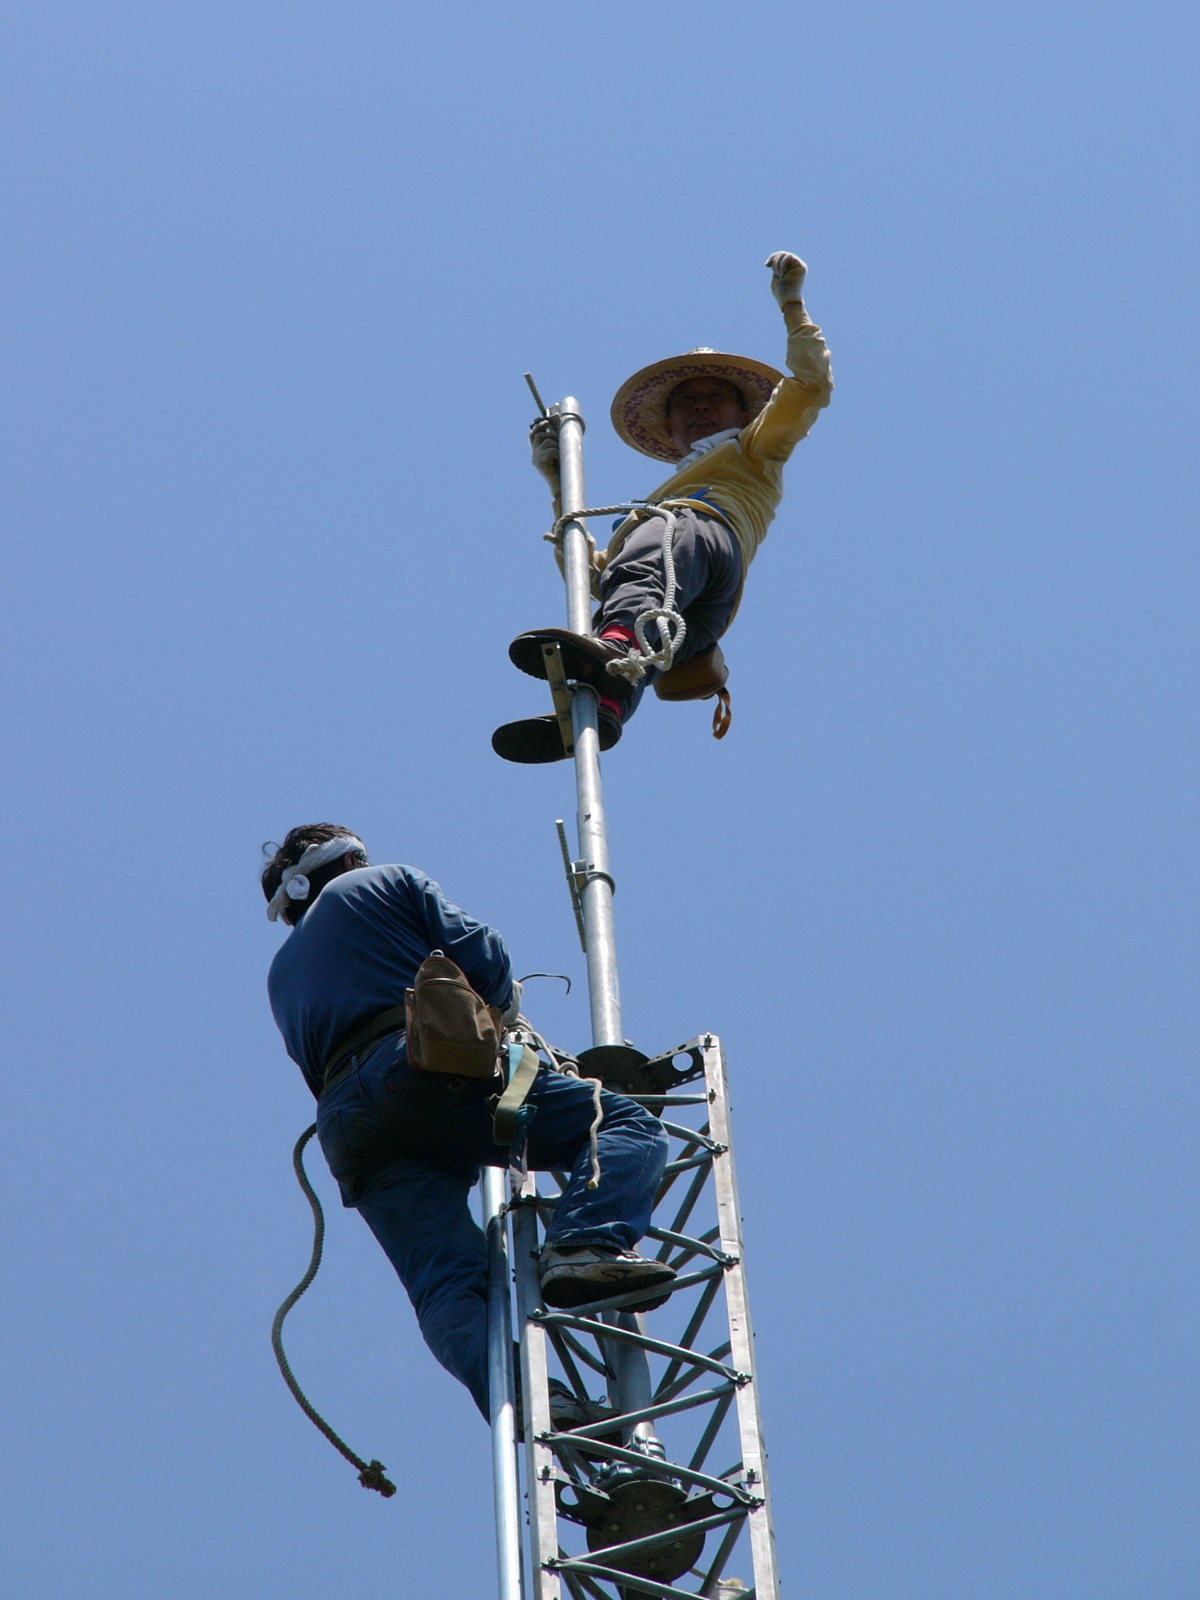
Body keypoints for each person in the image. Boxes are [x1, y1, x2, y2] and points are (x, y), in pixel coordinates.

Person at [262, 822, 673, 1420]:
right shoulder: (384, 881)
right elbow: (479, 950)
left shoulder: (280, 976)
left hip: (350, 1128)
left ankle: (526, 1401)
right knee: (622, 1127)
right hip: (421, 1067)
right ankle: (583, 1245)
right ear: (349, 857)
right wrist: (500, 1013)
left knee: (445, 1283)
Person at [493, 251, 834, 763]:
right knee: (626, 594)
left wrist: (792, 304)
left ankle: (615, 652)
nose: (700, 405)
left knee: (657, 545)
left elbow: (810, 387)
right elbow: (589, 577)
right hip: (688, 619)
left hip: (707, 550)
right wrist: (558, 482)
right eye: (687, 400)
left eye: (715, 397)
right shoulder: (651, 511)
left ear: (744, 413)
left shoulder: (754, 451)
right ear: (670, 425)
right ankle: (604, 705)